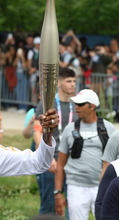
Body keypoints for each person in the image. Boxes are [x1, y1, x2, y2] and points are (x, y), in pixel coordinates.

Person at [54, 89, 115, 219]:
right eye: (76, 104)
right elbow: (60, 164)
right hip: (76, 186)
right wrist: (58, 193)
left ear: (92, 106)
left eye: (80, 104)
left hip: (102, 187)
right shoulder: (69, 129)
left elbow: (115, 161)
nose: (76, 107)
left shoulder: (108, 128)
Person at [33, 67, 78, 216]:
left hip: (71, 163)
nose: (73, 85)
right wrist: (48, 157)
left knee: (70, 206)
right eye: (68, 81)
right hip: (52, 163)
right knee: (49, 205)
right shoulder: (48, 103)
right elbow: (37, 133)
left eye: (74, 81)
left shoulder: (76, 105)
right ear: (58, 83)